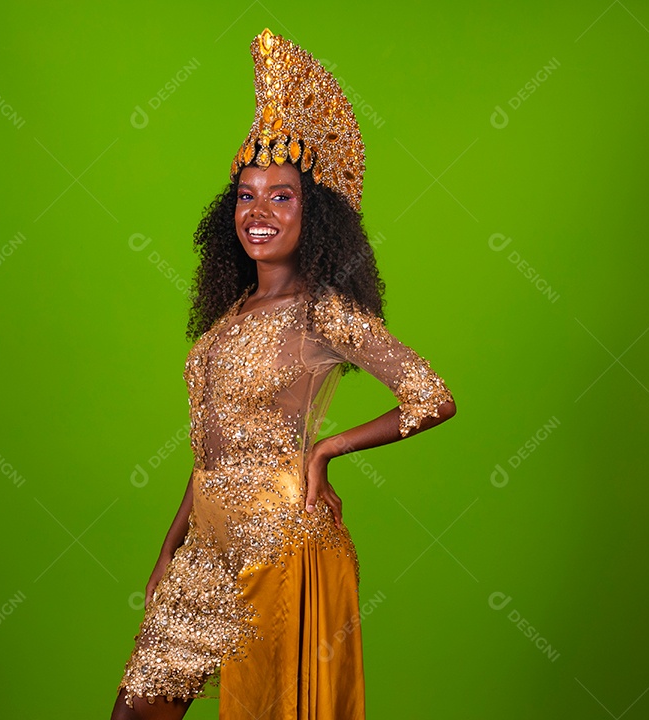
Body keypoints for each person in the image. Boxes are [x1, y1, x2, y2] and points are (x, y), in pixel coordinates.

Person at [110, 28, 456, 720]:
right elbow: (210, 450)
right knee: (136, 711)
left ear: (314, 214)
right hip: (206, 549)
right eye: (246, 196)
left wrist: (326, 449)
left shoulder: (324, 311)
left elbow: (432, 397)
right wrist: (168, 552)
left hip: (282, 543)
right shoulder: (230, 314)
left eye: (282, 197)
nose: (259, 213)